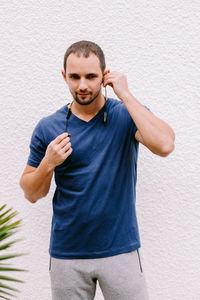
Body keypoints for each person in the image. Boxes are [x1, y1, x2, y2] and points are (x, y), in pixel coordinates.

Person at [19, 40, 175, 300]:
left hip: (121, 250)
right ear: (64, 76)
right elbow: (31, 193)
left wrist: (125, 94)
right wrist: (48, 163)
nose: (82, 85)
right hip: (67, 255)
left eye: (91, 76)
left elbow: (165, 145)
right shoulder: (48, 127)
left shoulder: (126, 115)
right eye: (74, 77)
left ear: (104, 75)